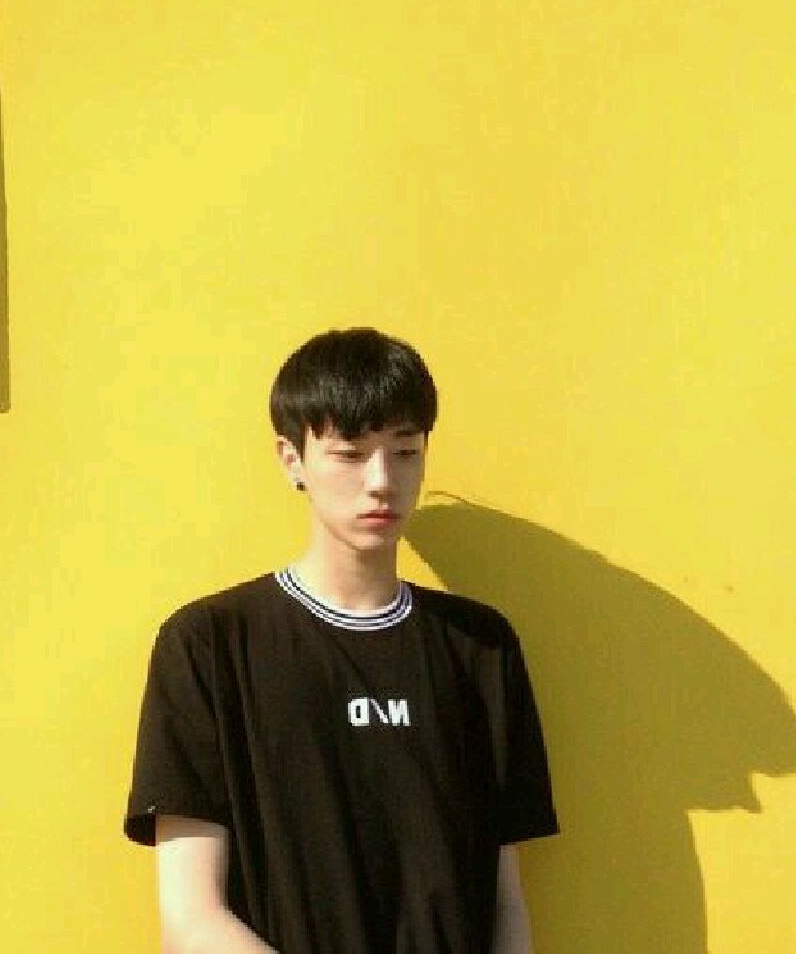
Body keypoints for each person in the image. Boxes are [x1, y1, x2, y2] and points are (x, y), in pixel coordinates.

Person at [122, 326, 559, 953]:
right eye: (350, 454)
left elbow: (505, 902)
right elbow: (191, 919)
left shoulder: (479, 647)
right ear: (291, 459)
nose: (381, 480)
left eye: (405, 451)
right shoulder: (209, 646)